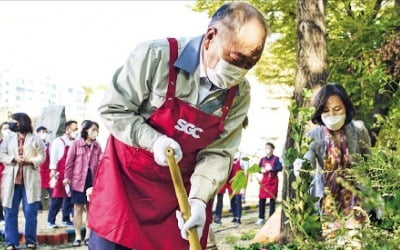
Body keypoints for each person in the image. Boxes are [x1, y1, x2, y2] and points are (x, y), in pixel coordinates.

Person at [88, 2, 268, 249]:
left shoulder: (239, 94)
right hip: (126, 189)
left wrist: (198, 200)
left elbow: (219, 152)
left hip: (179, 198)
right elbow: (114, 109)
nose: (241, 70)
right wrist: (154, 141)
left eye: (251, 63)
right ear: (210, 37)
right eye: (237, 59)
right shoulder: (156, 56)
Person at [294, 83, 371, 235]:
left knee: (354, 241)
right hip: (328, 200)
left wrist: (374, 195)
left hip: (356, 197)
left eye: (337, 109)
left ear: (346, 108)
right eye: (326, 110)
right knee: (333, 241)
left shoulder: (359, 130)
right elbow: (307, 163)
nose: (332, 115)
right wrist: (300, 165)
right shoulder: (313, 136)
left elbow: (369, 161)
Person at [0, 113, 45, 250]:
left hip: (29, 180)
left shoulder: (36, 139)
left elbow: (42, 156)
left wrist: (30, 161)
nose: (12, 124)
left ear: (23, 122)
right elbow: (1, 154)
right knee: (10, 211)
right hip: (11, 181)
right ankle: (11, 242)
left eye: (15, 122)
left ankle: (31, 240)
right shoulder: (8, 139)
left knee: (30, 211)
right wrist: (13, 159)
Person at [63, 120, 102, 247]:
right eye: (93, 129)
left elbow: (102, 162)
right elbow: (69, 163)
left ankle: (88, 236)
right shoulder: (76, 144)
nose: (95, 132)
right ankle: (78, 236)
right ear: (86, 130)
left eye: (97, 130)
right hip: (78, 180)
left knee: (91, 209)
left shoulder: (97, 146)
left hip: (93, 180)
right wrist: (67, 178)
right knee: (78, 208)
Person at [47, 120, 78, 228]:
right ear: (67, 130)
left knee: (69, 197)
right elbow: (53, 157)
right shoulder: (58, 141)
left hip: (72, 172)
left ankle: (66, 218)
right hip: (60, 172)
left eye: (77, 129)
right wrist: (53, 170)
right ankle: (51, 220)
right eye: (74, 129)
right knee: (57, 197)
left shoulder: (76, 141)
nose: (76, 131)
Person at [255, 142, 283, 225]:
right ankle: (261, 217)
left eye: (269, 148)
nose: (267, 149)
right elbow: (258, 168)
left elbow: (280, 168)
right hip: (264, 182)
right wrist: (261, 170)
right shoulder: (262, 159)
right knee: (261, 200)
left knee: (272, 201)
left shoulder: (276, 159)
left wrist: (272, 168)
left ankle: (271, 218)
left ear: (272, 149)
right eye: (266, 147)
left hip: (273, 182)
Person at [214, 153, 243, 225]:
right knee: (228, 200)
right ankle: (219, 217)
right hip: (225, 180)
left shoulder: (241, 160)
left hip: (236, 182)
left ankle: (238, 217)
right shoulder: (226, 158)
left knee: (237, 200)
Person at [36, 126, 51, 210]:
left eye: (45, 132)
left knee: (51, 188)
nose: (43, 134)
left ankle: (54, 205)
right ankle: (38, 206)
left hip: (48, 169)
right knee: (38, 188)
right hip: (39, 169)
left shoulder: (49, 144)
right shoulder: (34, 144)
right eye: (41, 132)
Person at [0, 121, 11, 224]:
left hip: (10, 172)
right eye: (4, 129)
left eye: (9, 128)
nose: (7, 131)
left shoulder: (14, 142)